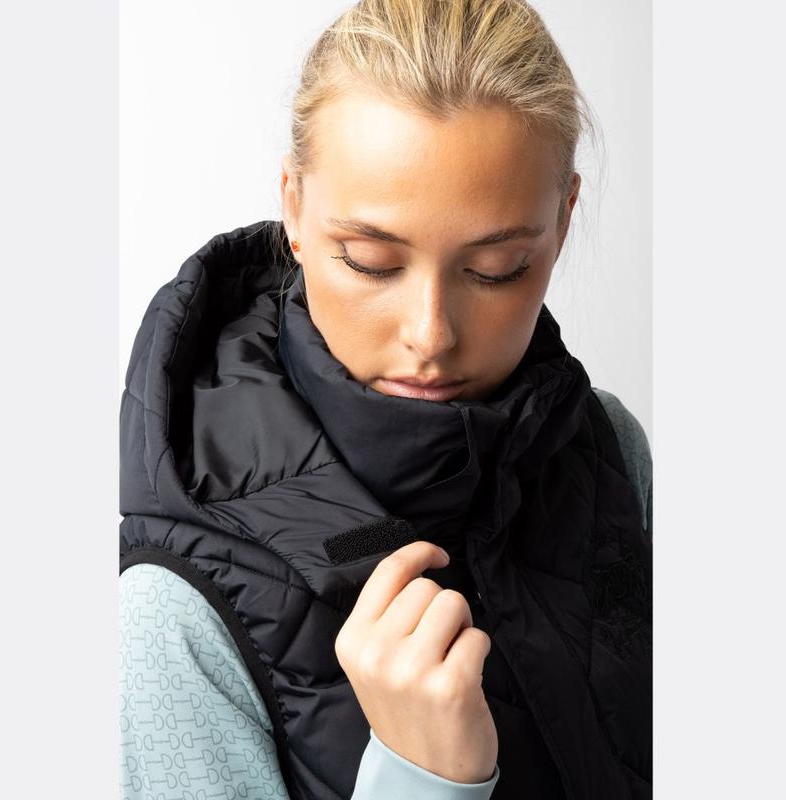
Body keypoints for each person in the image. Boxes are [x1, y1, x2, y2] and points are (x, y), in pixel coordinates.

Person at [119, 1, 652, 798]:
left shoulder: (609, 449)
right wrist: (422, 779)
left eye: (498, 269)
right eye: (371, 261)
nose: (430, 334)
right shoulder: (171, 615)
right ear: (294, 208)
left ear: (564, 219)